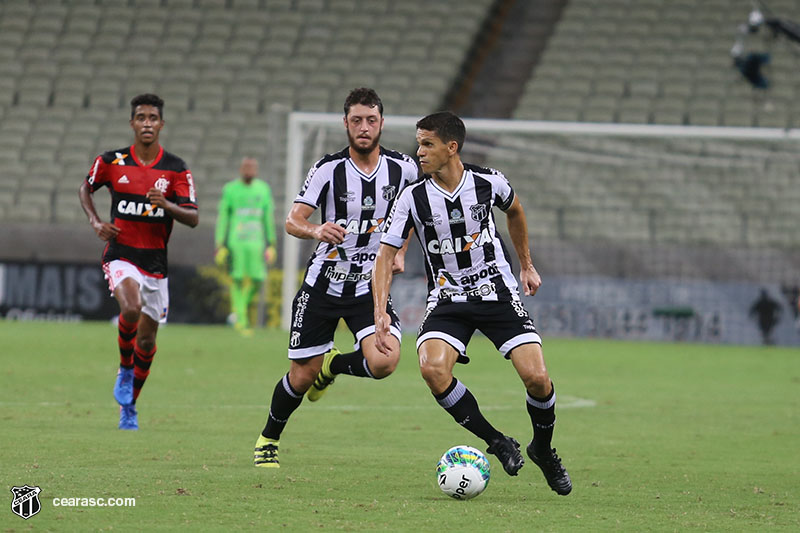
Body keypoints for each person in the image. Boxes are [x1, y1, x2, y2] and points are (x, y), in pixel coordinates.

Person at [372, 111, 572, 495]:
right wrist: (380, 310)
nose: (420, 152)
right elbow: (385, 254)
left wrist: (526, 265)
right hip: (448, 299)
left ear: (452, 147)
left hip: (496, 292)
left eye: (427, 144)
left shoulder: (488, 181)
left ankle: (542, 450)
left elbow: (515, 210)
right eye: (418, 143)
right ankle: (497, 441)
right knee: (432, 369)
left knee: (537, 378)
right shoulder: (412, 197)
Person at [253, 88, 418, 468]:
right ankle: (268, 438)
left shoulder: (404, 168)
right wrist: (316, 231)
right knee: (301, 375)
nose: (364, 127)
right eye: (356, 120)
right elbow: (293, 220)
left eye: (371, 120)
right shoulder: (327, 170)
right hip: (323, 285)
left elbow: (415, 210)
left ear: (381, 124)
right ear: (345, 123)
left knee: (385, 361)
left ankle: (335, 366)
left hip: (368, 286)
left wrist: (402, 250)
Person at [79, 93, 199, 431]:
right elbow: (85, 189)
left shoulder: (176, 168)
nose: (147, 123)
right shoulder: (112, 161)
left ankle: (129, 405)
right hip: (121, 254)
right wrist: (96, 222)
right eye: (141, 117)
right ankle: (125, 368)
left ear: (161, 124)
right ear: (132, 123)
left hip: (156, 265)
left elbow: (192, 218)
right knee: (129, 308)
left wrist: (166, 204)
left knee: (147, 342)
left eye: (153, 118)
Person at [214, 157, 277, 335]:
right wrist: (220, 243)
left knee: (258, 279)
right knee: (238, 279)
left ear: (256, 170)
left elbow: (268, 218)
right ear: (241, 169)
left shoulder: (263, 189)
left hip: (256, 242)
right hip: (237, 241)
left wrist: (271, 243)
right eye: (246, 167)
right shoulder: (230, 189)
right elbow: (223, 218)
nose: (249, 170)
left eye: (252, 167)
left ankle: (239, 310)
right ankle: (241, 319)